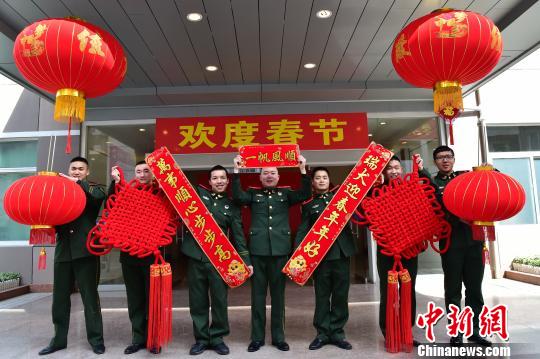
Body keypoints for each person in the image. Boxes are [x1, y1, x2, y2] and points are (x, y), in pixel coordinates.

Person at [232, 155, 311, 352]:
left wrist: (302, 169)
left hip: (280, 252)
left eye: (273, 173)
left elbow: (304, 194)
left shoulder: (285, 195)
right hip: (258, 253)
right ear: (260, 177)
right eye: (265, 173)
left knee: (278, 298)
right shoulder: (252, 194)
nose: (269, 176)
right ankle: (257, 338)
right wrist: (236, 172)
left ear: (278, 176)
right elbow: (238, 197)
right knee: (257, 298)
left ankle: (278, 337)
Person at [182, 165, 252, 356]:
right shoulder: (197, 196)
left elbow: (238, 235)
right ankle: (202, 339)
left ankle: (218, 337)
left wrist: (246, 260)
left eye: (222, 178)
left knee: (220, 300)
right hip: (195, 256)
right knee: (197, 301)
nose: (219, 181)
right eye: (215, 178)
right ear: (210, 181)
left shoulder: (232, 205)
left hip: (219, 260)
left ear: (227, 182)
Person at [39, 157, 106, 355]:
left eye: (80, 169)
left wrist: (77, 183)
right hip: (63, 251)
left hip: (85, 250)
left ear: (87, 172)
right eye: (73, 169)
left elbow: (99, 197)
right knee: (59, 299)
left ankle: (96, 340)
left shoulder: (93, 188)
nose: (76, 171)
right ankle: (58, 340)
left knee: (90, 297)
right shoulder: (59, 190)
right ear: (68, 169)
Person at [430, 146, 491, 347]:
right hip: (450, 242)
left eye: (448, 156)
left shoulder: (467, 177)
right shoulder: (433, 183)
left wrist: (489, 170)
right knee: (453, 289)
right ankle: (456, 332)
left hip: (474, 241)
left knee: (474, 289)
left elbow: (491, 183)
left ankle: (475, 331)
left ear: (454, 159)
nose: (445, 160)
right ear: (435, 162)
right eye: (440, 158)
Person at [295, 167, 357, 351]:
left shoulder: (341, 199)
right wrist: (297, 254)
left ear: (329, 180)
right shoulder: (308, 205)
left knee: (340, 295)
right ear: (313, 182)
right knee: (321, 296)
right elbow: (303, 230)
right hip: (320, 257)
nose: (321, 180)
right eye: (318, 178)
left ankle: (337, 333)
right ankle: (322, 334)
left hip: (341, 253)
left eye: (324, 177)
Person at [109, 161, 160, 355]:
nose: (142, 174)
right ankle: (138, 338)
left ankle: (154, 339)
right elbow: (111, 204)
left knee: (152, 300)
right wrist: (115, 182)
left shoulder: (160, 194)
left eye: (146, 171)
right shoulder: (126, 193)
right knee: (135, 299)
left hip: (152, 257)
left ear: (152, 174)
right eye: (138, 171)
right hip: (129, 256)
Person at [375, 155, 421, 346]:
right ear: (384, 172)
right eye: (389, 168)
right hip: (387, 251)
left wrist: (421, 169)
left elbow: (427, 196)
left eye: (397, 167)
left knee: (409, 291)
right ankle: (389, 332)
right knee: (388, 291)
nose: (394, 171)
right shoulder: (376, 193)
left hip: (409, 250)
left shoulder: (410, 188)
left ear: (402, 170)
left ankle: (407, 331)